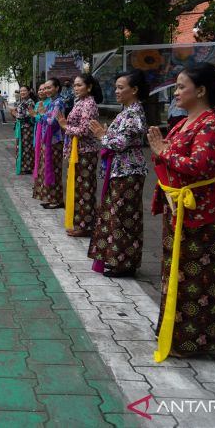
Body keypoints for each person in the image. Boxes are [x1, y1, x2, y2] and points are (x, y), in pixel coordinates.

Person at [147, 62, 215, 361]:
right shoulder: (184, 121)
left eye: (181, 86)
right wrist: (163, 151)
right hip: (180, 210)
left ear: (200, 90)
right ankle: (171, 330)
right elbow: (169, 158)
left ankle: (191, 340)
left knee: (196, 277)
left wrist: (164, 151)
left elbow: (200, 166)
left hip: (202, 213)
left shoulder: (210, 123)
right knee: (175, 272)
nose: (176, 92)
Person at [87, 71, 149, 278]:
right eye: (116, 87)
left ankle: (124, 262)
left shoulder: (134, 113)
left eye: (121, 87)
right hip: (120, 171)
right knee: (118, 216)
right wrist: (106, 135)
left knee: (124, 217)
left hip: (128, 172)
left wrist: (102, 135)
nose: (117, 91)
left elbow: (121, 144)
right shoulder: (127, 111)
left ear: (135, 90)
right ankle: (118, 259)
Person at [57, 74, 102, 237]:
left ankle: (86, 225)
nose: (75, 88)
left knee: (85, 189)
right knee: (79, 188)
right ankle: (81, 222)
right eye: (74, 85)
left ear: (89, 87)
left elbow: (84, 130)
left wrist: (65, 126)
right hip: (78, 151)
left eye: (79, 85)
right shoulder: (80, 102)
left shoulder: (89, 104)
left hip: (86, 152)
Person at [35, 79, 65, 209]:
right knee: (47, 168)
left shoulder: (59, 102)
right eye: (45, 88)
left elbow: (53, 122)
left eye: (49, 88)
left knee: (54, 170)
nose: (46, 90)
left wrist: (41, 115)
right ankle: (51, 197)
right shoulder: (52, 102)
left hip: (54, 141)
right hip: (46, 140)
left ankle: (57, 199)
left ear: (57, 88)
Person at [31, 83, 51, 200]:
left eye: (45, 89)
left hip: (44, 132)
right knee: (37, 158)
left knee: (42, 160)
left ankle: (43, 186)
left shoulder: (49, 103)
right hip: (37, 131)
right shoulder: (38, 103)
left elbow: (45, 120)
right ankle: (38, 185)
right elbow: (34, 118)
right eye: (40, 89)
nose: (41, 91)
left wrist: (36, 116)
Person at [13, 86, 36, 174]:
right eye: (21, 91)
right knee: (20, 146)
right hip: (21, 128)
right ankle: (22, 166)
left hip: (27, 128)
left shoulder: (30, 102)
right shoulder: (21, 101)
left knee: (27, 147)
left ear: (29, 91)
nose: (22, 92)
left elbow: (28, 115)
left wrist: (16, 115)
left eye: (24, 90)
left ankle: (27, 167)